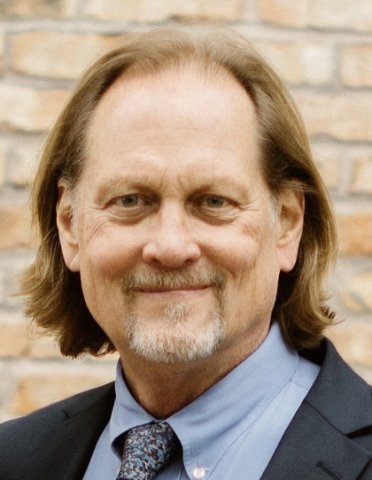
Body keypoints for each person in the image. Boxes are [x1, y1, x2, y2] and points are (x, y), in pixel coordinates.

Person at [0, 27, 371, 480]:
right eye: (131, 201)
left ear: (288, 223)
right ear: (69, 224)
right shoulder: (14, 460)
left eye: (213, 202)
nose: (171, 246)